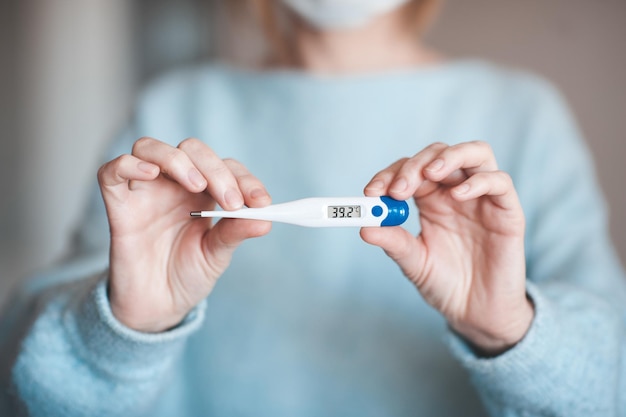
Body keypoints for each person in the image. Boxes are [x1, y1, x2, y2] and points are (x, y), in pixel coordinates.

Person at [1, 0, 625, 415]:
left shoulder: (520, 115)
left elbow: (611, 383)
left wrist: (510, 329)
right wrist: (124, 327)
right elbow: (30, 382)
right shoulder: (174, 111)